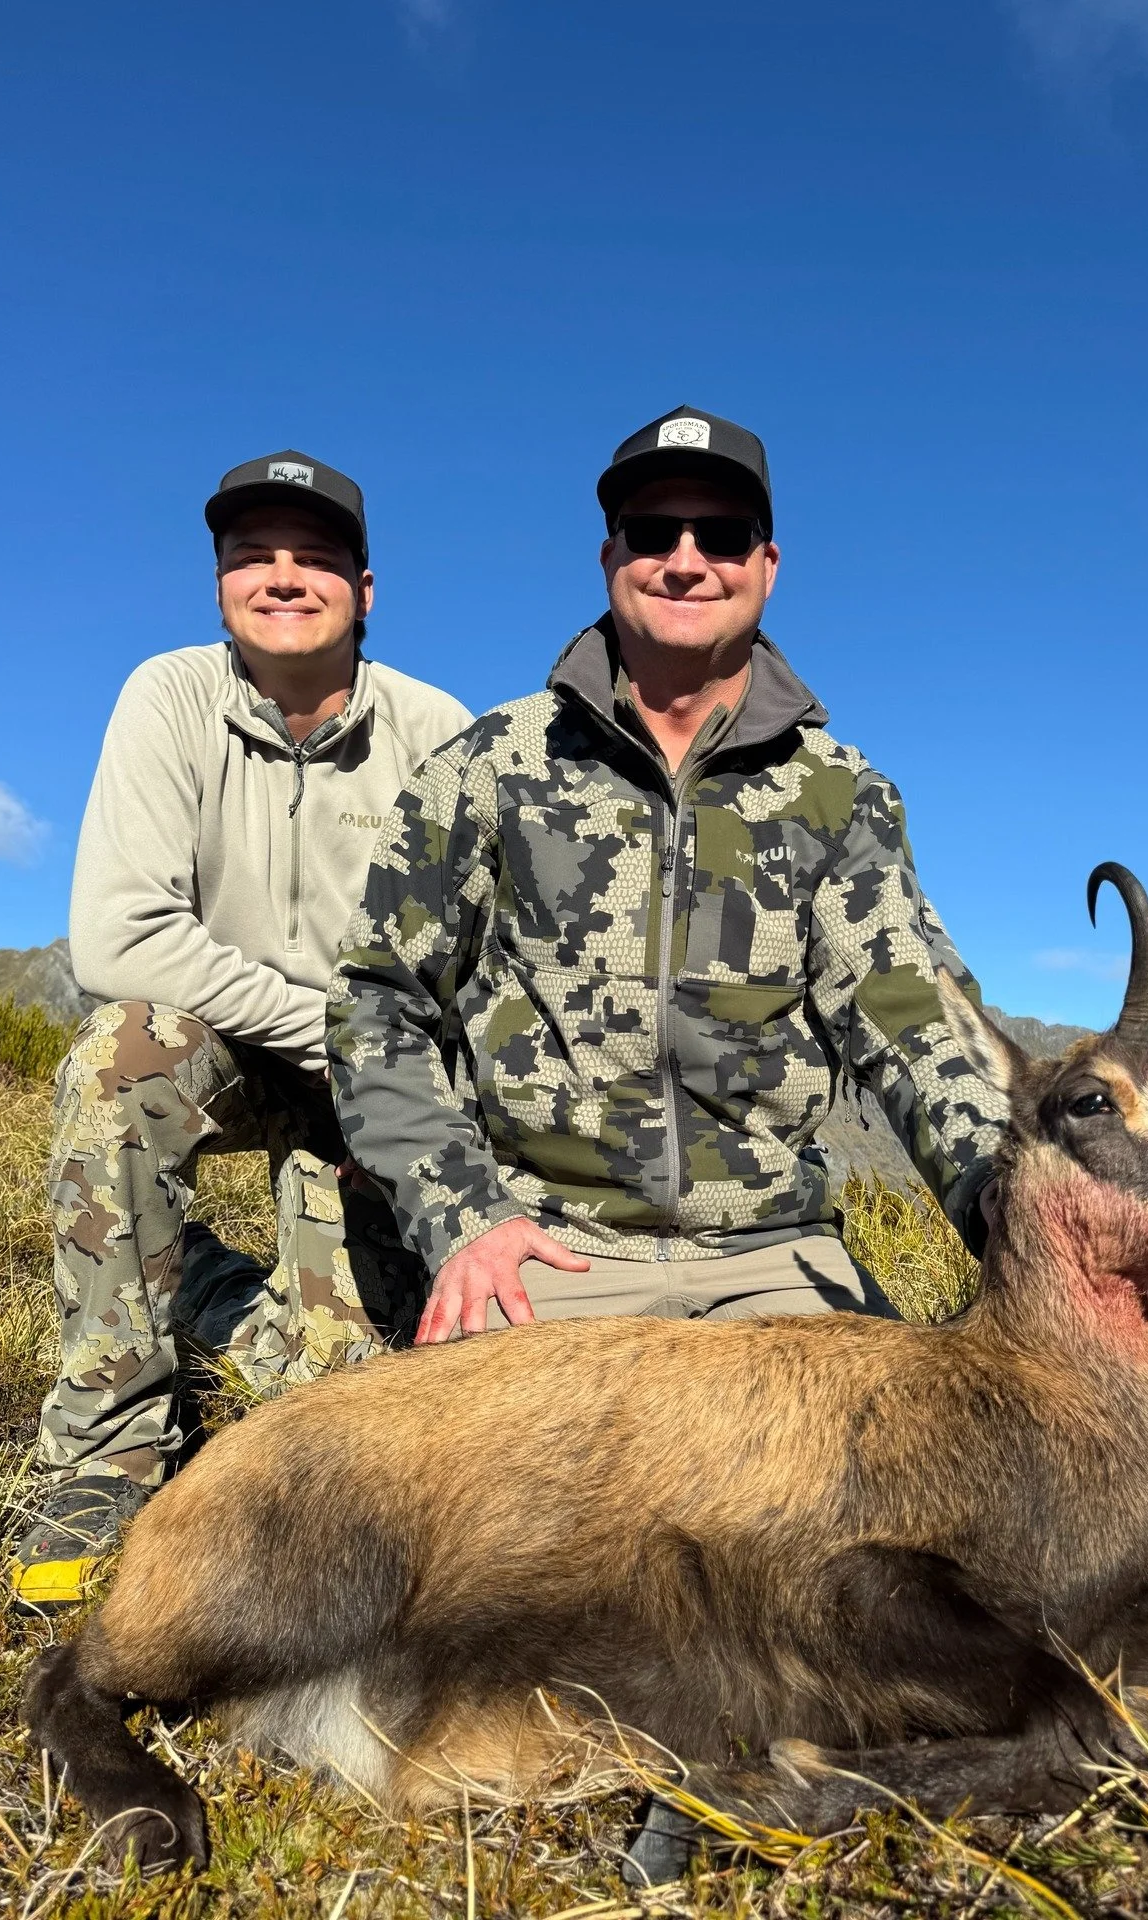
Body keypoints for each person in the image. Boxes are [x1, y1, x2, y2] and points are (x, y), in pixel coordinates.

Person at [330, 407, 1006, 1341]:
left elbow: (914, 1019)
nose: (686, 562)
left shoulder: (841, 794)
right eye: (654, 533)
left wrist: (1008, 1198)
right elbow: (378, 1001)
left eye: (722, 536)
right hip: (548, 1253)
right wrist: (464, 1216)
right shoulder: (491, 768)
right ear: (611, 555)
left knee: (931, 1434)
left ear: (766, 565)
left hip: (775, 1258)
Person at [8, 451, 473, 1608]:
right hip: (222, 1041)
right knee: (120, 1054)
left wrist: (391, 1083)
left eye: (315, 557)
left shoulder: (439, 731)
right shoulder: (168, 696)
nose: (282, 576)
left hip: (371, 1074)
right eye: (252, 555)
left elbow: (474, 962)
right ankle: (105, 1449)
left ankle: (204, 1288)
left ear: (366, 590)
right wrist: (322, 1028)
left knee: (340, 1404)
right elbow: (117, 938)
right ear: (219, 583)